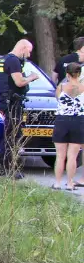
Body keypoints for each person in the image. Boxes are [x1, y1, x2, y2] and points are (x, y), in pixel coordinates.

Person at [0, 39, 42, 178]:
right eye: (29, 51)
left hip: (8, 101)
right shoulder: (13, 61)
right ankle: (10, 168)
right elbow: (19, 82)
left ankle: (6, 167)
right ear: (22, 48)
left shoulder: (5, 59)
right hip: (11, 102)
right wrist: (32, 77)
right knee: (12, 136)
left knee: (10, 135)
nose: (28, 55)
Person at [52, 62, 84, 190]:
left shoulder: (61, 87)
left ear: (67, 74)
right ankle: (70, 183)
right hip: (78, 121)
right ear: (79, 73)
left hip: (62, 121)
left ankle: (58, 182)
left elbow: (58, 99)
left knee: (60, 155)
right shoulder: (83, 87)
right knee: (73, 155)